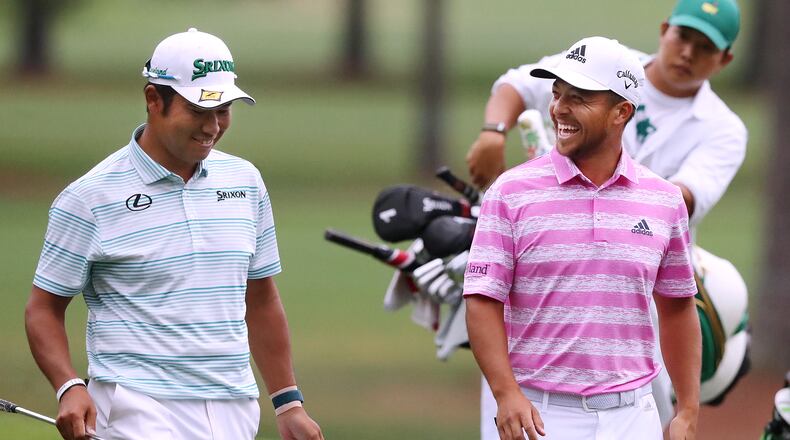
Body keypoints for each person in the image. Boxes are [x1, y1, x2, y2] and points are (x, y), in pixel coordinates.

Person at [24, 28, 323, 440]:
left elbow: (260, 297)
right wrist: (69, 385)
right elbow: (43, 309)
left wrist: (287, 402)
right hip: (136, 404)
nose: (213, 127)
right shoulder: (89, 197)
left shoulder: (245, 181)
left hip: (234, 405)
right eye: (200, 110)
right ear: (153, 99)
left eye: (224, 111)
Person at [466, 0, 746, 436]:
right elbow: (482, 298)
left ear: (621, 113)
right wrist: (492, 134)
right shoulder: (510, 191)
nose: (559, 108)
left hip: (633, 413)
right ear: (664, 30)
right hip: (538, 411)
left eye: (578, 98)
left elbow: (676, 307)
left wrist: (688, 409)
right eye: (558, 94)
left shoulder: (680, 180)